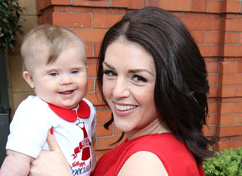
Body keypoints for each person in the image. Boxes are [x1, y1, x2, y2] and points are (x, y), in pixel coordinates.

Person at [29, 7, 214, 176]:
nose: (117, 92)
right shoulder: (172, 142)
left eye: (138, 78)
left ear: (173, 84)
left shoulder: (146, 164)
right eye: (110, 72)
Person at [0, 25, 96, 176]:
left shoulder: (88, 108)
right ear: (31, 79)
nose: (66, 80)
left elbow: (90, 144)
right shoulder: (34, 112)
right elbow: (17, 159)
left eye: (75, 71)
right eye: (53, 74)